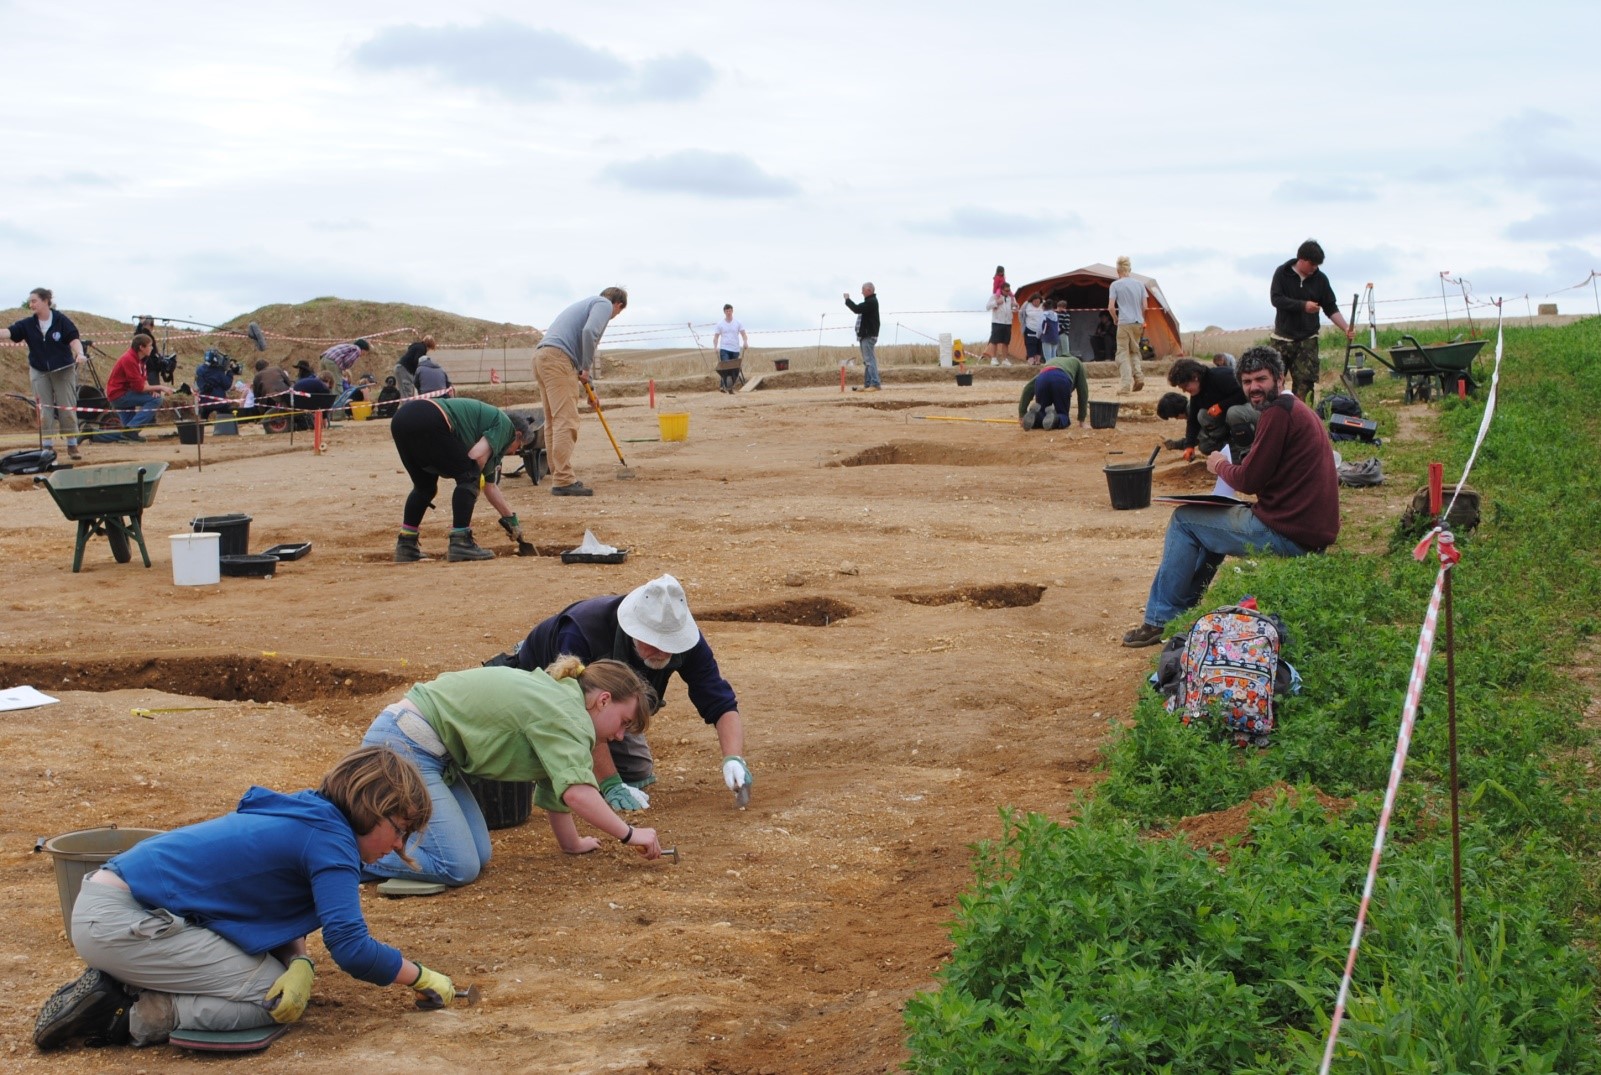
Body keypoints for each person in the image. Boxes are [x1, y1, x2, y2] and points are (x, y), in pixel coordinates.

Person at [32, 746, 458, 1051]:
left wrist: (299, 961)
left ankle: (130, 980)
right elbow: (350, 948)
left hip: (115, 911)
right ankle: (126, 1013)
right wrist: (420, 976)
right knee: (267, 1000)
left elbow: (268, 907)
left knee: (274, 974)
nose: (398, 844)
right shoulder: (332, 842)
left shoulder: (306, 815)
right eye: (398, 828)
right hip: (121, 924)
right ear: (372, 807)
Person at [359, 658, 664, 889]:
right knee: (459, 866)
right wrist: (629, 834)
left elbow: (556, 787)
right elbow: (576, 793)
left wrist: (572, 844)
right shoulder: (567, 715)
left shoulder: (562, 700)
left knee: (479, 855)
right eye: (624, 722)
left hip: (425, 751)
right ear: (604, 700)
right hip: (403, 745)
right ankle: (348, 858)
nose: (621, 736)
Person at [1122, 346, 1339, 647]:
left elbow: (1249, 480)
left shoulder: (1277, 414)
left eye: (1261, 379)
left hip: (1289, 533)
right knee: (1209, 526)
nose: (1254, 388)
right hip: (1307, 529)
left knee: (1184, 519)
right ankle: (1180, 613)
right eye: (1247, 382)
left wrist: (1220, 465)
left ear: (1280, 378)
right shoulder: (1296, 408)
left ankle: (1158, 620)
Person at [509, 574, 752, 811]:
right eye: (652, 641)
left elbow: (720, 703)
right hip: (541, 692)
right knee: (557, 767)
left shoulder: (686, 641)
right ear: (633, 629)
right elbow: (575, 712)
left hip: (604, 705)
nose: (661, 650)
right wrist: (610, 784)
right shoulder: (582, 631)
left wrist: (733, 758)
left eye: (669, 643)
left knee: (635, 770)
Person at [390, 396, 530, 562]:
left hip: (401, 419)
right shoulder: (505, 426)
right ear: (517, 435)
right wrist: (472, 477)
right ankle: (461, 541)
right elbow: (476, 457)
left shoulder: (489, 432)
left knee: (424, 487)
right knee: (470, 475)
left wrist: (511, 519)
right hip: (430, 416)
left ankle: (406, 545)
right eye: (518, 447)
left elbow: (490, 487)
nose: (514, 452)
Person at [531, 287, 629, 497]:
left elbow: (579, 353)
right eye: (617, 314)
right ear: (618, 305)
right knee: (566, 420)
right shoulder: (603, 304)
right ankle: (564, 480)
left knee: (553, 420)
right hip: (558, 359)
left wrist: (590, 388)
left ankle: (559, 474)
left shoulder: (585, 305)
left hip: (543, 357)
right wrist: (585, 367)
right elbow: (589, 333)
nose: (612, 317)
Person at [1270, 239, 1354, 402]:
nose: (1315, 268)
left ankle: (1301, 420)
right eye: (1312, 264)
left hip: (1307, 340)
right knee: (1273, 382)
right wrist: (1303, 306)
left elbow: (1330, 307)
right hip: (1282, 339)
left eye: (1317, 265)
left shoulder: (1321, 279)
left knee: (1305, 385)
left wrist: (1345, 328)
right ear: (1301, 260)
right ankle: (1275, 418)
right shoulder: (1282, 273)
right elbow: (1276, 299)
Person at [9, 287, 87, 459]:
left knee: (66, 407)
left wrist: (80, 353)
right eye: (30, 301)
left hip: (63, 369)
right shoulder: (28, 324)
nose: (31, 304)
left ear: (46, 301)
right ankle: (48, 448)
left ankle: (72, 445)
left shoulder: (61, 320)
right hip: (39, 370)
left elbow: (74, 339)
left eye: (34, 301)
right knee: (44, 410)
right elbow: (10, 332)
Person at [1161, 356, 1257, 461]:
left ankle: (1248, 453)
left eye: (1185, 386)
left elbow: (1246, 392)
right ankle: (1231, 450)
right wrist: (1189, 446)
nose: (1184, 391)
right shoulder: (1197, 394)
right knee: (1203, 415)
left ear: (1195, 377)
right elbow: (1192, 421)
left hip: (1256, 409)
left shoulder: (1220, 376)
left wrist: (1221, 406)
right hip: (1234, 419)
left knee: (1233, 412)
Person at [105, 334, 172, 441]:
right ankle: (132, 430)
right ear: (141, 347)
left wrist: (151, 389)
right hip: (119, 395)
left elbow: (143, 379)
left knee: (127, 433)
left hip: (121, 393)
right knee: (157, 400)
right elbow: (139, 388)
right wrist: (161, 387)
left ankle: (91, 434)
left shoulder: (140, 359)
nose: (152, 348)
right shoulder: (129, 359)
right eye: (150, 346)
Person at [1018, 351, 1089, 430]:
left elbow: (1028, 388)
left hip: (1042, 379)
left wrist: (1022, 413)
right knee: (1063, 416)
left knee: (1042, 413)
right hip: (1061, 379)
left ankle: (1035, 418)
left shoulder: (1052, 361)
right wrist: (1081, 419)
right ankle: (1056, 419)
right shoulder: (1077, 362)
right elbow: (1083, 391)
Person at [1107, 256, 1146, 394]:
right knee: (1134, 351)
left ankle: (1125, 386)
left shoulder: (1115, 285)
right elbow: (1144, 306)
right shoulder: (1140, 284)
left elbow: (1111, 307)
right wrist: (1141, 319)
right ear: (1129, 269)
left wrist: (1115, 318)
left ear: (1118, 270)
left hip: (1124, 322)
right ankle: (1139, 376)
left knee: (1122, 353)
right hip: (1138, 322)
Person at [843, 282, 881, 391]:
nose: (861, 292)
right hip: (865, 335)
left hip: (868, 335)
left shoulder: (871, 302)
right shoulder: (870, 302)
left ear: (869, 290)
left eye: (863, 290)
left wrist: (847, 300)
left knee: (869, 360)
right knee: (867, 361)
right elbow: (859, 309)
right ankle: (868, 385)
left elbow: (856, 309)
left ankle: (875, 384)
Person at [712, 304, 748, 393]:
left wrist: (745, 342)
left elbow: (743, 334)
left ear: (732, 311)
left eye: (730, 310)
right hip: (724, 349)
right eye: (726, 311)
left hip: (735, 349)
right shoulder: (720, 324)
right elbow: (716, 337)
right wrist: (715, 347)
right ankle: (727, 387)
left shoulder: (738, 322)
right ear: (724, 312)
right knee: (726, 368)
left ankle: (726, 386)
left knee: (735, 369)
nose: (728, 312)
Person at [984, 283, 1017, 364]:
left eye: (1009, 290)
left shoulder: (1011, 298)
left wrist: (1015, 307)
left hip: (1008, 322)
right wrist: (997, 302)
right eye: (1006, 290)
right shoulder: (995, 296)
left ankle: (1005, 359)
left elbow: (1015, 306)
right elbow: (987, 307)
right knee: (994, 341)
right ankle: (994, 359)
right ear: (1002, 290)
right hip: (997, 322)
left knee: (1006, 342)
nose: (1008, 292)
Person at [1020, 293, 1047, 364]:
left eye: (1038, 302)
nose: (1036, 303)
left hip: (1041, 329)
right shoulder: (1026, 304)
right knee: (1030, 344)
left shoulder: (1044, 304)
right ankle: (1031, 360)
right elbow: (1020, 313)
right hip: (1030, 327)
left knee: (1039, 344)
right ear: (1032, 300)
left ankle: (1038, 360)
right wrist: (1022, 322)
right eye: (1035, 302)